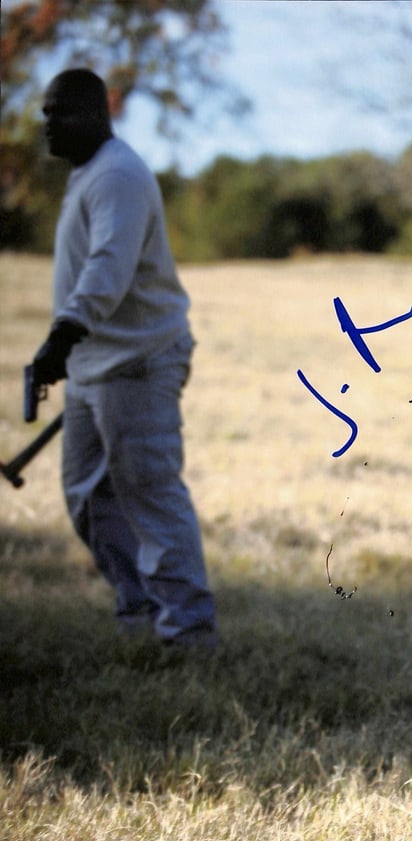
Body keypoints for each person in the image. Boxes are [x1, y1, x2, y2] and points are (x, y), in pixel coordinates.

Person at [29, 68, 218, 648]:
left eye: (58, 112)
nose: (47, 125)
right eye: (45, 114)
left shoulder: (118, 174)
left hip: (137, 362)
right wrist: (66, 349)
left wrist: (61, 336)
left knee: (150, 495)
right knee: (87, 496)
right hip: (95, 366)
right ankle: (140, 610)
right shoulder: (90, 174)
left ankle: (187, 634)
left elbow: (108, 268)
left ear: (93, 113)